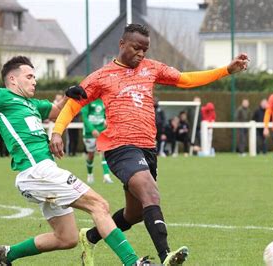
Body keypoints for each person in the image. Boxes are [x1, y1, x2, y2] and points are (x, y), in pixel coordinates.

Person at [0, 56, 150, 266]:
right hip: (37, 172)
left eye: (35, 77)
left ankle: (7, 254)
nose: (34, 81)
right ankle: (133, 263)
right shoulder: (2, 96)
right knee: (100, 206)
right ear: (13, 80)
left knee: (67, 238)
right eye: (29, 76)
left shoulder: (34, 104)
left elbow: (58, 111)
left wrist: (70, 95)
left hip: (42, 174)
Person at [49, 24, 249, 265]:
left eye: (145, 49)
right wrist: (58, 132)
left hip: (147, 149)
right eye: (136, 48)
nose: (141, 54)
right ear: (122, 44)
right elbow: (74, 103)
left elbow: (186, 79)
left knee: (133, 214)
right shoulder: (101, 76)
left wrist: (226, 70)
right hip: (119, 147)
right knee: (150, 192)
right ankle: (166, 256)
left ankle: (90, 236)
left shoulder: (152, 68)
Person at [81, 98, 113, 184]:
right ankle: (90, 174)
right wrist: (92, 130)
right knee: (91, 155)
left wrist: (107, 121)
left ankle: (106, 176)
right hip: (89, 133)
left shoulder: (104, 100)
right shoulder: (88, 100)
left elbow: (106, 114)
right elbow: (84, 117)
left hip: (102, 131)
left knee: (104, 152)